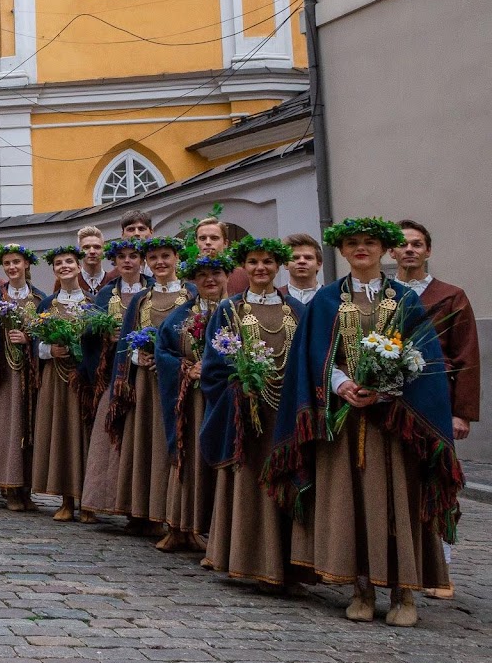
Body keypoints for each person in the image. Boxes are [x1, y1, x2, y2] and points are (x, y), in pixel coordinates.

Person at [265, 217, 460, 626]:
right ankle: (361, 588)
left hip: (394, 425)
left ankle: (404, 591)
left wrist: (386, 387)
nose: (361, 249)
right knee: (348, 502)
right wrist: (340, 384)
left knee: (395, 502)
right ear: (341, 251)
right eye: (352, 243)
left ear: (384, 249)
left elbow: (423, 360)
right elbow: (312, 357)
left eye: (369, 242)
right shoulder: (327, 301)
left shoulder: (405, 299)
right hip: (342, 423)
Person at [200, 236, 304, 588]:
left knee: (283, 481)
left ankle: (287, 565)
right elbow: (213, 365)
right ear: (244, 267)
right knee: (248, 485)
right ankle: (243, 559)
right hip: (246, 416)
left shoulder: (297, 312)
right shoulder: (228, 310)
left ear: (279, 267)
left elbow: (307, 362)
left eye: (268, 262)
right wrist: (238, 387)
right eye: (254, 262)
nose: (261, 268)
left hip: (285, 415)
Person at [85, 236, 189, 531]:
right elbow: (127, 340)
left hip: (181, 381)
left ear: (176, 258)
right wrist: (136, 357)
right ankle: (143, 509)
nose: (160, 262)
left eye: (165, 256)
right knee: (147, 443)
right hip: (145, 382)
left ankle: (179, 516)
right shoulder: (142, 299)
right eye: (154, 257)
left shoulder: (190, 294)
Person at [155, 254, 232, 553]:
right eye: (202, 275)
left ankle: (217, 533)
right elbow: (163, 351)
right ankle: (179, 525)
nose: (210, 279)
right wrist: (186, 367)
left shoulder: (235, 312)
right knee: (188, 457)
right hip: (191, 401)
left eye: (216, 273)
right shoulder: (180, 316)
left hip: (223, 400)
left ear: (226, 275)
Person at [79, 238, 151, 520]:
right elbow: (87, 334)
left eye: (134, 256)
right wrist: (105, 338)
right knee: (107, 436)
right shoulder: (107, 295)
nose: (128, 261)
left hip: (145, 375)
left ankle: (140, 508)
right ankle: (101, 501)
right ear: (115, 262)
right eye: (122, 257)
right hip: (113, 375)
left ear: (141, 260)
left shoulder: (153, 291)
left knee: (139, 438)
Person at [0, 244, 46, 512]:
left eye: (17, 262)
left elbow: (47, 334)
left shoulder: (40, 299)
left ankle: (26, 489)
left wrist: (29, 338)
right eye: (7, 263)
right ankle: (10, 487)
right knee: (7, 428)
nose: (12, 267)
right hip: (2, 376)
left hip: (30, 375)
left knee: (29, 429)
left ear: (26, 264)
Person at [394, 220, 479, 441]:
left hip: (436, 394)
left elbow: (467, 355)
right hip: (389, 400)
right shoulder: (382, 295)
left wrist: (461, 414)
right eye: (402, 245)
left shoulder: (450, 296)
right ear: (391, 252)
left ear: (428, 251)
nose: (410, 249)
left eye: (417, 244)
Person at [33, 245, 98, 523]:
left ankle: (89, 502)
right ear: (54, 269)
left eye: (69, 261)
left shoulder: (93, 303)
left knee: (82, 436)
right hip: (55, 379)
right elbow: (35, 340)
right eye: (59, 263)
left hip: (81, 380)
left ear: (79, 265)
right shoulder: (47, 304)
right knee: (61, 434)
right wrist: (50, 349)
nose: (64, 266)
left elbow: (98, 342)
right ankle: (66, 499)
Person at [194, 215, 249, 296]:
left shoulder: (243, 276)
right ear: (196, 243)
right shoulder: (188, 278)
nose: (208, 242)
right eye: (202, 238)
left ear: (225, 243)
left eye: (214, 238)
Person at [284, 233, 322, 306]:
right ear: (286, 264)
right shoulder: (276, 297)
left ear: (319, 264)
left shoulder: (331, 297)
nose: (302, 261)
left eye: (308, 257)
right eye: (295, 258)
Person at [76, 227, 107, 293]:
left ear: (103, 249)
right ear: (79, 250)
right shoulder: (69, 282)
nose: (92, 251)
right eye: (86, 247)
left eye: (97, 247)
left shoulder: (113, 281)